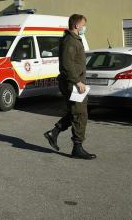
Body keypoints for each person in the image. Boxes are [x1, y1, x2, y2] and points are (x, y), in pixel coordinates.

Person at [44, 14, 97, 160]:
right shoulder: (70, 41)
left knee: (76, 112)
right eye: (84, 25)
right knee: (80, 114)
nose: (85, 28)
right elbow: (67, 64)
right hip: (73, 83)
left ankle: (54, 133)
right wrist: (77, 82)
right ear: (76, 25)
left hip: (74, 82)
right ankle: (77, 148)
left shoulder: (74, 39)